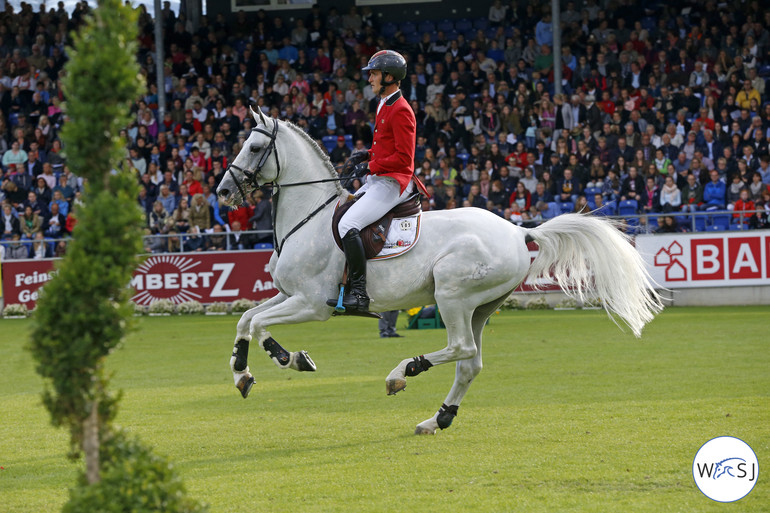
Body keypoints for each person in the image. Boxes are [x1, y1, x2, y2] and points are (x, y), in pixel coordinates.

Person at [326, 50, 428, 313]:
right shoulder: (384, 103)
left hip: (394, 182)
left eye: (373, 73)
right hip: (378, 178)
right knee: (339, 214)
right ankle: (343, 288)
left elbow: (405, 159)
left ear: (389, 76)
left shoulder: (402, 109)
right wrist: (366, 154)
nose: (369, 78)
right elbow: (385, 146)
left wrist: (370, 165)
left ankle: (359, 294)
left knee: (349, 224)